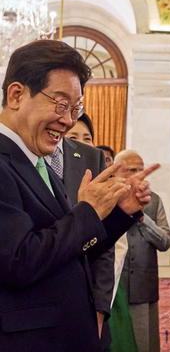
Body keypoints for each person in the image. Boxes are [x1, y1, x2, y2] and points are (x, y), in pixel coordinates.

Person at [0, 40, 156, 352]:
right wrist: (87, 212)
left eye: (75, 108)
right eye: (60, 104)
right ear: (16, 95)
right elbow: (20, 260)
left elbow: (70, 249)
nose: (69, 120)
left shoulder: (36, 160)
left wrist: (119, 214)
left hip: (61, 351)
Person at [46, 117, 114, 339]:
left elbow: (103, 242)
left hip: (84, 300)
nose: (65, 118)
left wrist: (100, 307)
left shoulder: (91, 158)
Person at [116, 150, 170, 352]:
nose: (139, 175)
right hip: (113, 291)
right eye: (132, 170)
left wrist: (141, 218)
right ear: (117, 170)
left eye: (141, 169)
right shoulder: (106, 197)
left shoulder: (154, 200)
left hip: (143, 287)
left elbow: (165, 241)